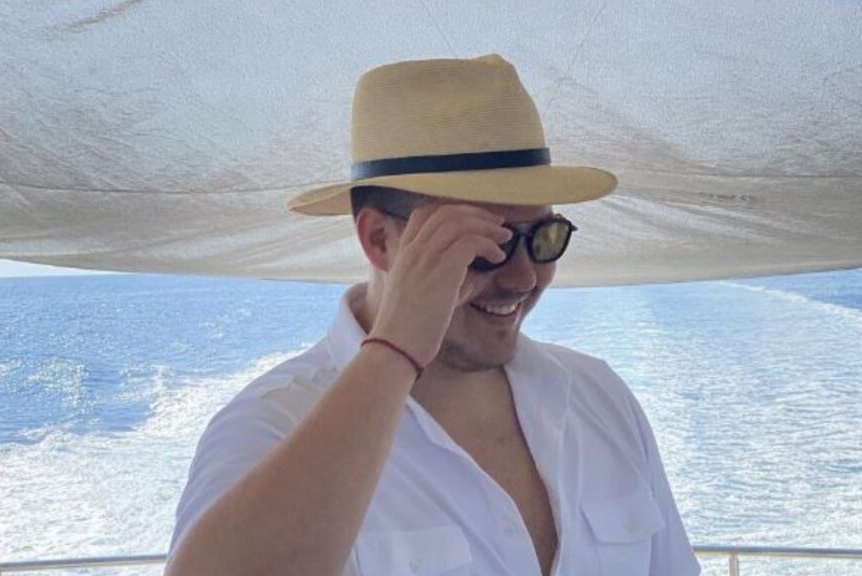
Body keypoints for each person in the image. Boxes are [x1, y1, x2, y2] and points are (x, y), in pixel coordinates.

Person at [166, 54, 700, 576]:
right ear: (380, 240)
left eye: (545, 238)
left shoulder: (598, 396)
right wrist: (397, 348)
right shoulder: (270, 426)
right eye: (484, 246)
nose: (522, 277)